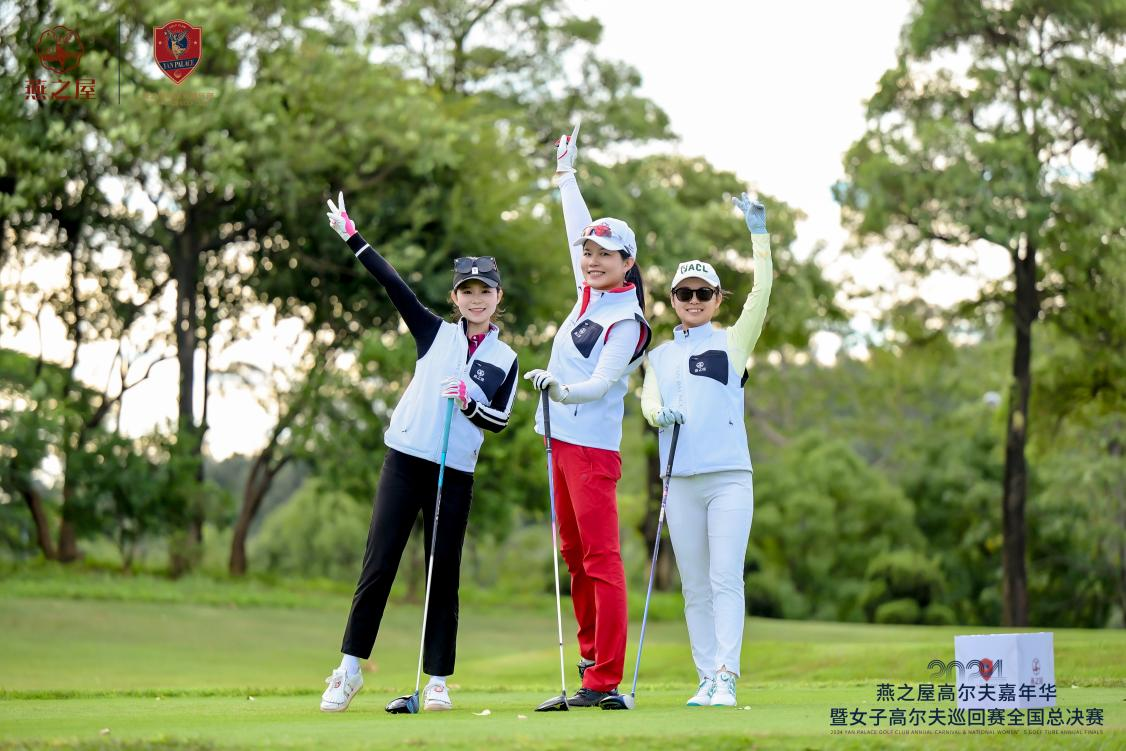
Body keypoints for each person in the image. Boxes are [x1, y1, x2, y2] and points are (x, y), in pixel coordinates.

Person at [319, 192, 519, 713]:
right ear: (456, 297)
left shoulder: (505, 358)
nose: (476, 299)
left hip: (455, 473)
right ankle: (349, 670)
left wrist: (470, 403)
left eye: (485, 291)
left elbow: (499, 420)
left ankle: (436, 681)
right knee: (379, 563)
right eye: (467, 291)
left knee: (442, 575)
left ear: (498, 297)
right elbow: (394, 286)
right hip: (406, 460)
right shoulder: (434, 333)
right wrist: (354, 238)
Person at [527, 126, 652, 708]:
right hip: (559, 440)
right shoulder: (589, 294)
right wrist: (566, 175)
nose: (593, 260)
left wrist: (561, 389)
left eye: (606, 254)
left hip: (592, 449)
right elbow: (573, 226)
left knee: (601, 558)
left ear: (628, 262)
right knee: (574, 555)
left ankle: (605, 678)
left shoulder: (626, 319)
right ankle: (588, 659)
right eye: (589, 252)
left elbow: (603, 381)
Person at [639, 192, 773, 707]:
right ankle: (705, 677)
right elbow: (649, 401)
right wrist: (658, 415)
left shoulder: (732, 344)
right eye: (684, 293)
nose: (693, 300)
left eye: (703, 293)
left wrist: (758, 236)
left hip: (728, 477)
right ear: (673, 299)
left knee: (724, 577)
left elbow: (761, 292)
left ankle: (726, 675)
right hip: (680, 482)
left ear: (717, 299)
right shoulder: (659, 356)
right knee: (694, 585)